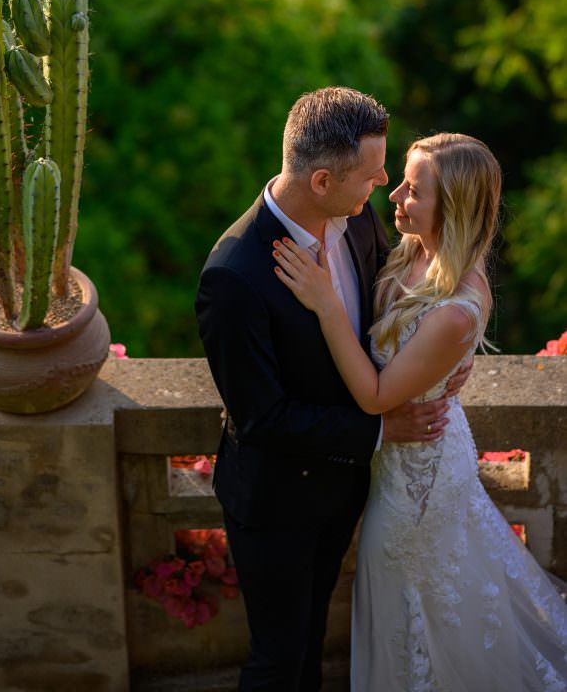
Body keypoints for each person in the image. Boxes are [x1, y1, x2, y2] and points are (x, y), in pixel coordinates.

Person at [195, 88, 470, 692]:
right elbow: (261, 418)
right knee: (277, 660)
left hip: (341, 489)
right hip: (276, 503)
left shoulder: (351, 219)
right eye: (372, 177)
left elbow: (398, 298)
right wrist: (379, 429)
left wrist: (452, 341)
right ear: (322, 180)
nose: (383, 186)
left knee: (313, 640)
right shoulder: (234, 276)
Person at [273, 132, 567, 691]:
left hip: (417, 486)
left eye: (414, 190)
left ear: (451, 208)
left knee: (411, 612)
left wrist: (325, 303)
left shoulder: (457, 306)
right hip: (400, 458)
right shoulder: (411, 251)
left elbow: (376, 398)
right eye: (401, 181)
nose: (395, 197)